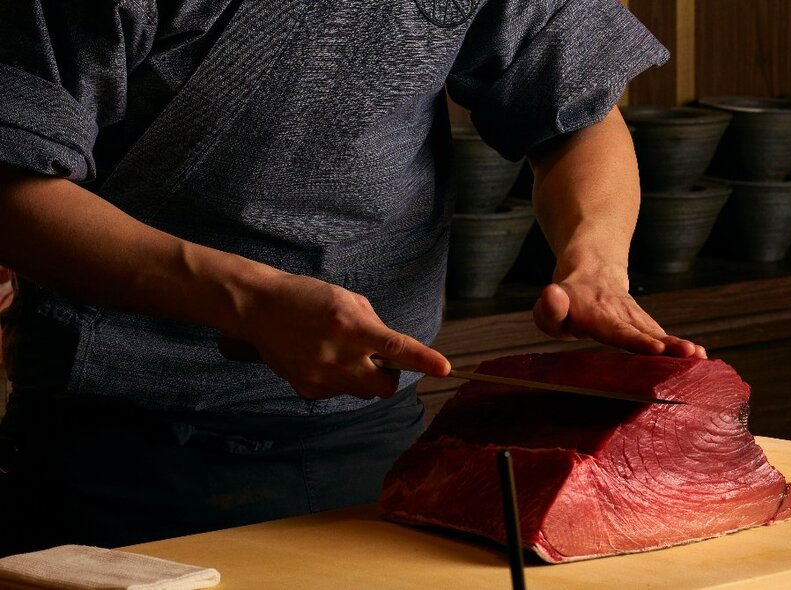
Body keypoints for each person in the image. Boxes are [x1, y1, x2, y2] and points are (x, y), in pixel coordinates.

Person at [0, 0, 706, 555]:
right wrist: (249, 301)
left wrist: (596, 262)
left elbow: (578, 116)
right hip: (116, 444)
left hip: (372, 432)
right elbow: (12, 188)